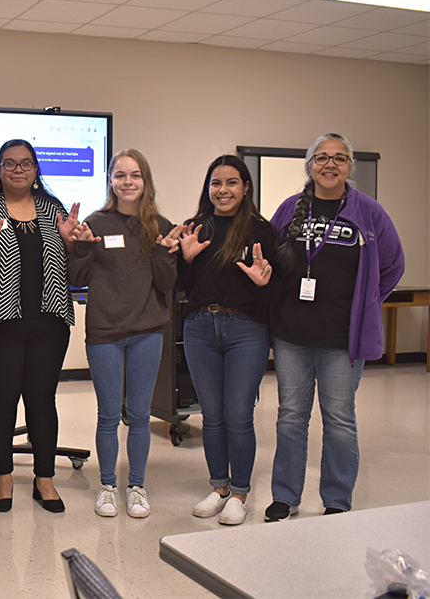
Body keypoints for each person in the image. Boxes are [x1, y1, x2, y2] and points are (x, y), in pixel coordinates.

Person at [264, 134, 404, 521]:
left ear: (350, 166)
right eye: (321, 158)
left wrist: (368, 301)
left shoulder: (368, 212)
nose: (330, 165)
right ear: (309, 165)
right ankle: (285, 496)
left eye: (339, 159)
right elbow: (271, 260)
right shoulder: (291, 209)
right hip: (292, 334)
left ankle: (337, 499)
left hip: (343, 337)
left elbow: (393, 264)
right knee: (291, 414)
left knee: (339, 419)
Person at [0, 139, 78, 514]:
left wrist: (72, 244)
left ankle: (45, 479)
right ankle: (2, 477)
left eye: (26, 163)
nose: (18, 169)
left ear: (36, 170)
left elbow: (71, 264)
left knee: (42, 401)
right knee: (2, 401)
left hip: (49, 322)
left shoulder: (53, 210)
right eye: (10, 163)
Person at [68, 149, 181, 519]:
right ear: (111, 181)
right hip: (104, 332)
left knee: (139, 414)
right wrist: (82, 247)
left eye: (135, 175)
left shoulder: (160, 225)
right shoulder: (95, 223)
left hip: (147, 331)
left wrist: (166, 254)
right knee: (107, 415)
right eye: (120, 175)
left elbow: (167, 284)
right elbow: (77, 279)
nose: (127, 182)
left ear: (145, 181)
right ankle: (106, 487)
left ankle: (136, 485)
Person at [177, 154, 286, 526]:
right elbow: (184, 289)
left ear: (246, 187)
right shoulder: (196, 228)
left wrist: (264, 282)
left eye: (231, 183)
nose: (222, 190)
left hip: (246, 330)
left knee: (238, 416)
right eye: (216, 183)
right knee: (211, 416)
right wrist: (187, 261)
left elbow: (274, 295)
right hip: (200, 329)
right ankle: (219, 487)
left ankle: (240, 492)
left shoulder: (261, 231)